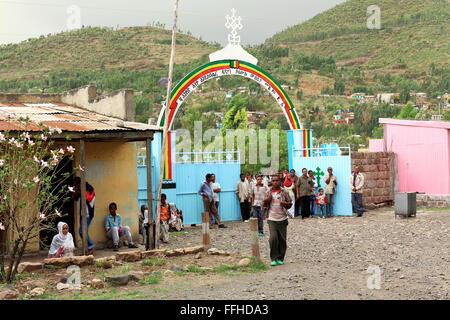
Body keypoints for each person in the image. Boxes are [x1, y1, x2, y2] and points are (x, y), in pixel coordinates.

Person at [263, 175, 292, 266]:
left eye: (277, 180)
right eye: (273, 181)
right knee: (273, 238)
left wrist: (285, 204)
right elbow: (263, 205)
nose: (275, 182)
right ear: (271, 182)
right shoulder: (268, 192)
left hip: (283, 218)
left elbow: (290, 203)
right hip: (272, 218)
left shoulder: (284, 191)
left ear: (280, 181)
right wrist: (266, 201)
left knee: (282, 240)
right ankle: (273, 258)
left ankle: (280, 258)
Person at [72, 177, 96, 255]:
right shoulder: (79, 189)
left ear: (79, 183)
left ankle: (91, 246)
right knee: (82, 231)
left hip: (88, 214)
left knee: (82, 231)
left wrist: (81, 192)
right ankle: (87, 249)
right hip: (82, 214)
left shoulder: (89, 187)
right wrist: (76, 193)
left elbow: (89, 198)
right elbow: (74, 198)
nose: (75, 187)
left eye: (76, 185)